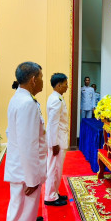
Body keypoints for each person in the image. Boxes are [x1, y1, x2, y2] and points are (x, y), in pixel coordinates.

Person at [4, 61, 47, 221]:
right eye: (42, 78)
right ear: (33, 79)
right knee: (21, 219)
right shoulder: (27, 103)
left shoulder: (19, 98)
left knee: (21, 216)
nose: (43, 82)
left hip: (19, 167)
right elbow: (28, 144)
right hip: (25, 173)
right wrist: (31, 179)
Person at [44, 73, 69, 207]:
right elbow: (53, 123)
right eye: (65, 84)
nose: (67, 86)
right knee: (54, 169)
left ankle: (55, 192)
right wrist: (54, 144)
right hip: (57, 140)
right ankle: (50, 197)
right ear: (58, 85)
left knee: (57, 169)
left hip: (58, 139)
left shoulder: (57, 98)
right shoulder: (55, 100)